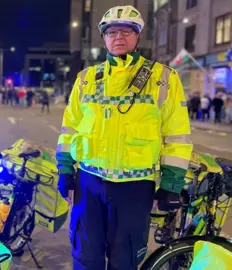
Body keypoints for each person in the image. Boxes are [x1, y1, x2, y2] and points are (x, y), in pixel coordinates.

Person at [55, 5, 193, 270]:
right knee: (85, 256)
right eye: (112, 31)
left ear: (138, 36)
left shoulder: (164, 78)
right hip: (89, 182)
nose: (119, 37)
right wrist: (64, 170)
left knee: (126, 258)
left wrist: (171, 184)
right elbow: (69, 127)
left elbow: (176, 134)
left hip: (135, 186)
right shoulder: (86, 79)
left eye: (127, 31)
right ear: (104, 38)